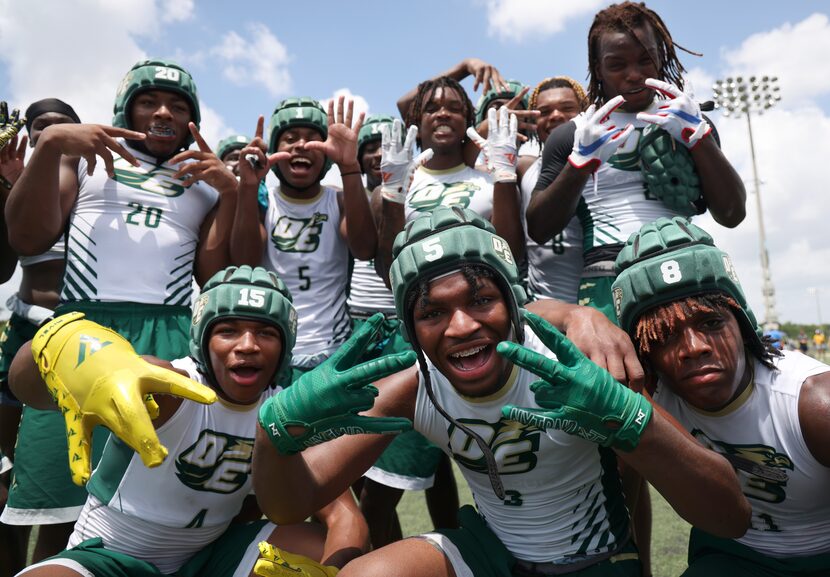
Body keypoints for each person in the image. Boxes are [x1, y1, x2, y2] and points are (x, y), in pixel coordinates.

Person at [252, 206, 750, 577]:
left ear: (515, 304)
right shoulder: (414, 385)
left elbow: (728, 515)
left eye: (482, 299)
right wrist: (274, 433)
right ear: (412, 328)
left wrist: (627, 418)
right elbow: (288, 504)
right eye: (432, 313)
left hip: (593, 559)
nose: (462, 326)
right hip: (491, 550)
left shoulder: (571, 366)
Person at [3, 59, 239, 560]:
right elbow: (27, 236)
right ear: (124, 108)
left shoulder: (202, 181)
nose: (162, 113)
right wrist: (49, 146)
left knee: (157, 503)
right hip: (80, 334)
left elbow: (213, 276)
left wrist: (231, 194)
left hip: (170, 338)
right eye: (149, 101)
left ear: (192, 120)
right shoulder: (83, 159)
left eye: (178, 106)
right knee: (57, 501)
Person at [10, 265, 368, 576]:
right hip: (110, 554)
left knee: (315, 547)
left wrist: (335, 572)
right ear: (202, 339)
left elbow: (345, 518)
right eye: (228, 330)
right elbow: (26, 386)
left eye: (266, 333)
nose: (247, 345)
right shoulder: (168, 384)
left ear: (284, 347)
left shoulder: (285, 411)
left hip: (208, 557)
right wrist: (56, 345)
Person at [612, 216, 830, 576]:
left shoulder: (813, 402)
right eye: (664, 335)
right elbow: (623, 504)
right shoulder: (645, 401)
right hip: (734, 558)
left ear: (742, 324)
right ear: (643, 353)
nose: (694, 348)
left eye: (711, 323)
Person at [526, 0, 746, 323]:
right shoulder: (572, 134)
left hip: (688, 268)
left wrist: (698, 139)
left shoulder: (688, 117)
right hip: (608, 282)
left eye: (646, 60)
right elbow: (539, 228)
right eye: (617, 65)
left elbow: (732, 214)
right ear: (598, 67)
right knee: (616, 376)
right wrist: (580, 165)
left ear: (661, 57)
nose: (635, 75)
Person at [350, 114, 459, 548]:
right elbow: (369, 255)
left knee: (422, 460)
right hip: (366, 335)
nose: (379, 152)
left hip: (414, 329)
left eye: (389, 143)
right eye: (371, 145)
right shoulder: (364, 194)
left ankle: (452, 554)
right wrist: (385, 189)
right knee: (373, 471)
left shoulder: (430, 191)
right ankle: (385, 556)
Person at [234, 96, 376, 381]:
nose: (301, 145)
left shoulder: (339, 200)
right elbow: (244, 263)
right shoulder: (264, 203)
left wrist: (350, 167)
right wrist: (250, 188)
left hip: (333, 350)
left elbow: (364, 249)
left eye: (313, 138)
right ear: (274, 150)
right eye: (290, 138)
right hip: (274, 351)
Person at [374, 63, 524, 284]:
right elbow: (388, 274)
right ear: (416, 120)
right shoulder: (388, 189)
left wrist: (504, 178)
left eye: (454, 108)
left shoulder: (494, 183)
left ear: (468, 122)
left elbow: (511, 259)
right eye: (431, 108)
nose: (443, 114)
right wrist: (394, 198)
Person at [519, 77, 588, 304]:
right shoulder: (524, 170)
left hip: (601, 300)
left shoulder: (605, 164)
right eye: (544, 111)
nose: (556, 116)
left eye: (567, 108)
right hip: (543, 309)